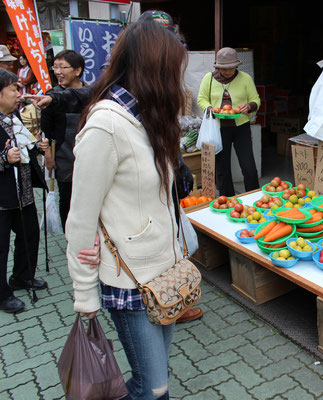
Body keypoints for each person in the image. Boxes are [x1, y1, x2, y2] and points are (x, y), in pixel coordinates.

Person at [65, 18, 188, 399]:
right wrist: (85, 295)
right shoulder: (106, 125)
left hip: (165, 275)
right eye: (173, 69)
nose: (179, 79)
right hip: (130, 281)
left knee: (150, 380)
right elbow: (80, 220)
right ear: (154, 68)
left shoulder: (149, 116)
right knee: (155, 388)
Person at [0, 69, 49, 314]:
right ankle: (2, 294)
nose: (18, 95)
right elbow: (7, 155)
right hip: (3, 196)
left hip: (24, 192)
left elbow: (24, 147)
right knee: (1, 246)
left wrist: (38, 148)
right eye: (13, 90)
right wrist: (3, 158)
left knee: (30, 234)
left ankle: (22, 276)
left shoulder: (15, 117)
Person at [197, 47, 261, 196]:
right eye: (223, 69)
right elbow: (201, 99)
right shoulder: (209, 78)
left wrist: (250, 106)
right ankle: (227, 201)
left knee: (249, 167)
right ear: (218, 67)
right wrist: (210, 109)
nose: (227, 72)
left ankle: (254, 198)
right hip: (218, 129)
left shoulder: (245, 78)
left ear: (237, 66)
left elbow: (255, 99)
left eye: (231, 68)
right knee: (222, 169)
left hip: (241, 128)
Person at [40, 50, 86, 230]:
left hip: (87, 154)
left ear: (77, 70)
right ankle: (70, 236)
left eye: (62, 67)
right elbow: (46, 130)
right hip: (64, 155)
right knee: (66, 198)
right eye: (55, 67)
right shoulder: (51, 95)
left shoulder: (89, 91)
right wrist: (48, 156)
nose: (57, 71)